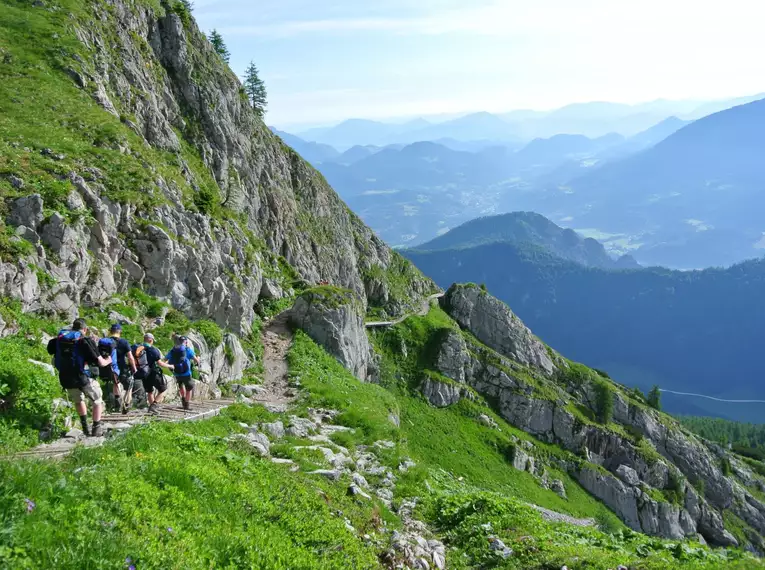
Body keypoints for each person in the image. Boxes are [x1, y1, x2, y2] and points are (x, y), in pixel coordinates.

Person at [47, 318, 112, 437]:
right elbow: (101, 363)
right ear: (85, 329)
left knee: (78, 400)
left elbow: (51, 351)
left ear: (73, 327)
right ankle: (96, 428)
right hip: (82, 377)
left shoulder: (60, 339)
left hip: (65, 378)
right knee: (97, 399)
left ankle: (85, 427)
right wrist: (108, 360)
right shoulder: (84, 340)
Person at [106, 323, 141, 413]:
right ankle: (126, 406)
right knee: (129, 386)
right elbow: (130, 357)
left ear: (111, 331)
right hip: (122, 367)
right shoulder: (124, 342)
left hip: (109, 367)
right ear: (120, 331)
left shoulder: (106, 341)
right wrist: (134, 367)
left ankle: (117, 405)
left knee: (115, 383)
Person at [132, 333, 169, 415]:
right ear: (150, 340)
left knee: (149, 391)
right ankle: (154, 405)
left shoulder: (137, 348)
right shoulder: (153, 350)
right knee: (163, 390)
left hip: (143, 373)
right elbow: (160, 363)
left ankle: (152, 409)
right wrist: (170, 366)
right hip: (153, 373)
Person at [162, 335, 200, 411]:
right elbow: (196, 361)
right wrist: (198, 358)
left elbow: (165, 360)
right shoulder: (188, 350)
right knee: (189, 389)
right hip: (186, 373)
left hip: (176, 372)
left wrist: (169, 366)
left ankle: (183, 399)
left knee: (181, 386)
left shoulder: (172, 351)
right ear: (185, 342)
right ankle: (186, 404)